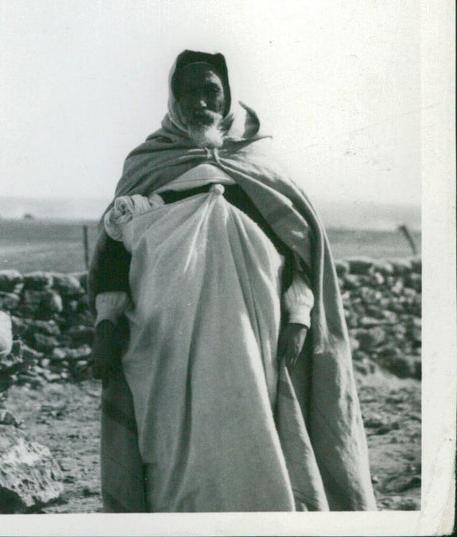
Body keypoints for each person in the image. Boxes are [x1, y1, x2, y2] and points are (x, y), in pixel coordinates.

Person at [88, 50, 376, 513]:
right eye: (188, 92)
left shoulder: (259, 161)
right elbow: (115, 253)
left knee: (252, 432)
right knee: (172, 448)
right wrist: (106, 323)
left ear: (227, 99)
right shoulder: (148, 162)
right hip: (166, 344)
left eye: (210, 92)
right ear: (172, 98)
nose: (199, 102)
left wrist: (300, 315)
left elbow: (299, 249)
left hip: (251, 340)